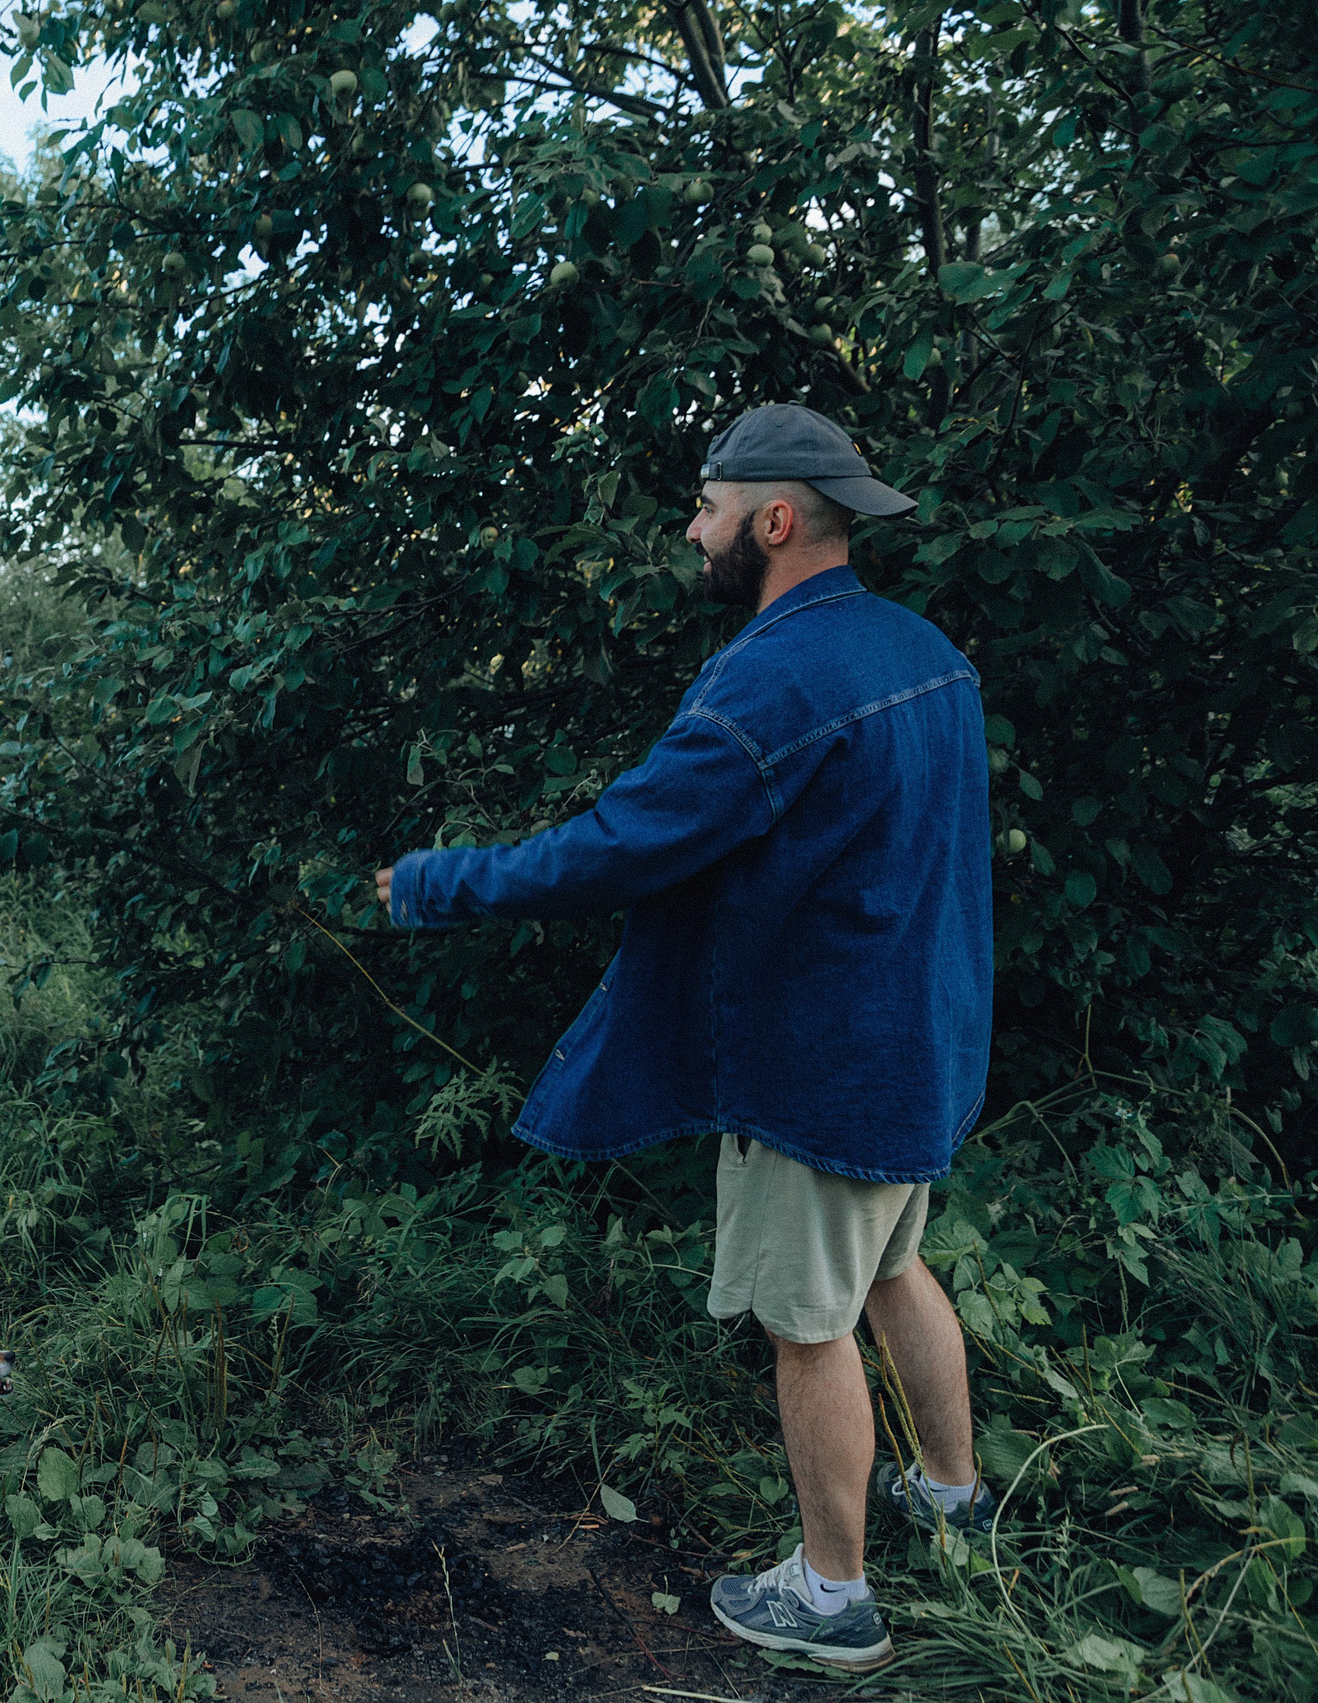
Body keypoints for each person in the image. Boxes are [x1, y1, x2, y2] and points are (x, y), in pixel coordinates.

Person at [374, 404, 994, 1671]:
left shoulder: (774, 678)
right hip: (914, 1046)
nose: (692, 528)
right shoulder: (920, 646)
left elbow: (617, 846)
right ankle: (953, 1498)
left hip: (817, 1069)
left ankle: (833, 1598)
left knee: (804, 1322)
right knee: (889, 1270)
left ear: (773, 520)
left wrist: (435, 883)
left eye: (706, 507)